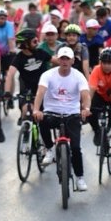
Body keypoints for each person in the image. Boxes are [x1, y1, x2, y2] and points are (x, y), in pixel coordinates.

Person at [33, 46, 91, 190]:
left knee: (76, 148)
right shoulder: (48, 75)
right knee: (42, 121)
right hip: (52, 113)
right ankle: (49, 149)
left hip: (72, 114)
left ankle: (80, 178)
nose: (64, 61)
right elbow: (40, 92)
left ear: (72, 61)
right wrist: (36, 110)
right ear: (58, 60)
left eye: (67, 59)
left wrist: (86, 109)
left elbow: (85, 94)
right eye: (62, 58)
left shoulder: (78, 76)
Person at [88, 47, 111, 149]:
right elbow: (91, 89)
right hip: (101, 96)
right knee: (90, 111)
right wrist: (86, 107)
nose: (106, 66)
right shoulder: (96, 70)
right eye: (104, 63)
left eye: (109, 63)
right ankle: (97, 131)